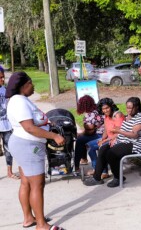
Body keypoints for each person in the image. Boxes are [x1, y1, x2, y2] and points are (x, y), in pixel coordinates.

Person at [6, 72, 65, 230]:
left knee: (26, 182)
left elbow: (34, 122)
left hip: (23, 144)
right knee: (37, 185)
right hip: (28, 146)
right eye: (31, 83)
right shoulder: (19, 102)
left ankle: (28, 218)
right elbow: (29, 127)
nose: (34, 86)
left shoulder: (21, 100)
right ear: (24, 85)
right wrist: (54, 135)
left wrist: (47, 122)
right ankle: (41, 224)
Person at [84, 97, 141, 188]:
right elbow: (117, 131)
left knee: (111, 153)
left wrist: (119, 132)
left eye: (131, 108)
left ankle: (118, 178)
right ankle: (97, 178)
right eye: (127, 107)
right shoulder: (128, 117)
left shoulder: (140, 118)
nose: (128, 110)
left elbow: (134, 135)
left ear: (137, 107)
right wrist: (111, 139)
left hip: (135, 144)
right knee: (103, 149)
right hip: (124, 141)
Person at [73, 95, 104, 175]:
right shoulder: (96, 111)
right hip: (102, 133)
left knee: (80, 140)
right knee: (82, 138)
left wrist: (80, 134)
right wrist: (82, 133)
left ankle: (77, 166)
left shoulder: (90, 115)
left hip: (99, 135)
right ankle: (84, 159)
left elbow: (89, 131)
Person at [0, 66, 19, 179]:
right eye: (0, 78)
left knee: (9, 149)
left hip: (6, 124)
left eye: (3, 77)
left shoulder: (5, 90)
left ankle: (9, 172)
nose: (2, 79)